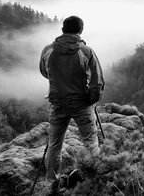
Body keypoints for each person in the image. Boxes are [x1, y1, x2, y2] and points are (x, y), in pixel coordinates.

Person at [39, 15, 104, 195]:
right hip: (81, 103)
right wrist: (92, 98)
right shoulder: (86, 51)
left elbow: (45, 72)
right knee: (90, 142)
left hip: (57, 103)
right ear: (80, 31)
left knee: (54, 144)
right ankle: (93, 179)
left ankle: (52, 184)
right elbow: (97, 81)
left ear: (62, 30)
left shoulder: (47, 50)